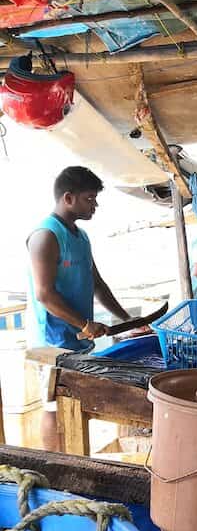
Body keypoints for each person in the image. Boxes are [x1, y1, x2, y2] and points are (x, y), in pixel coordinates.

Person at [27, 166, 131, 451]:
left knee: (72, 403)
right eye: (90, 198)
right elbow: (44, 294)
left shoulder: (81, 237)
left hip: (77, 339)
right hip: (51, 343)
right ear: (68, 198)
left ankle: (74, 459)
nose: (95, 205)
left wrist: (128, 319)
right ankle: (54, 463)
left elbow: (97, 283)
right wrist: (86, 324)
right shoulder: (45, 236)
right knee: (52, 406)